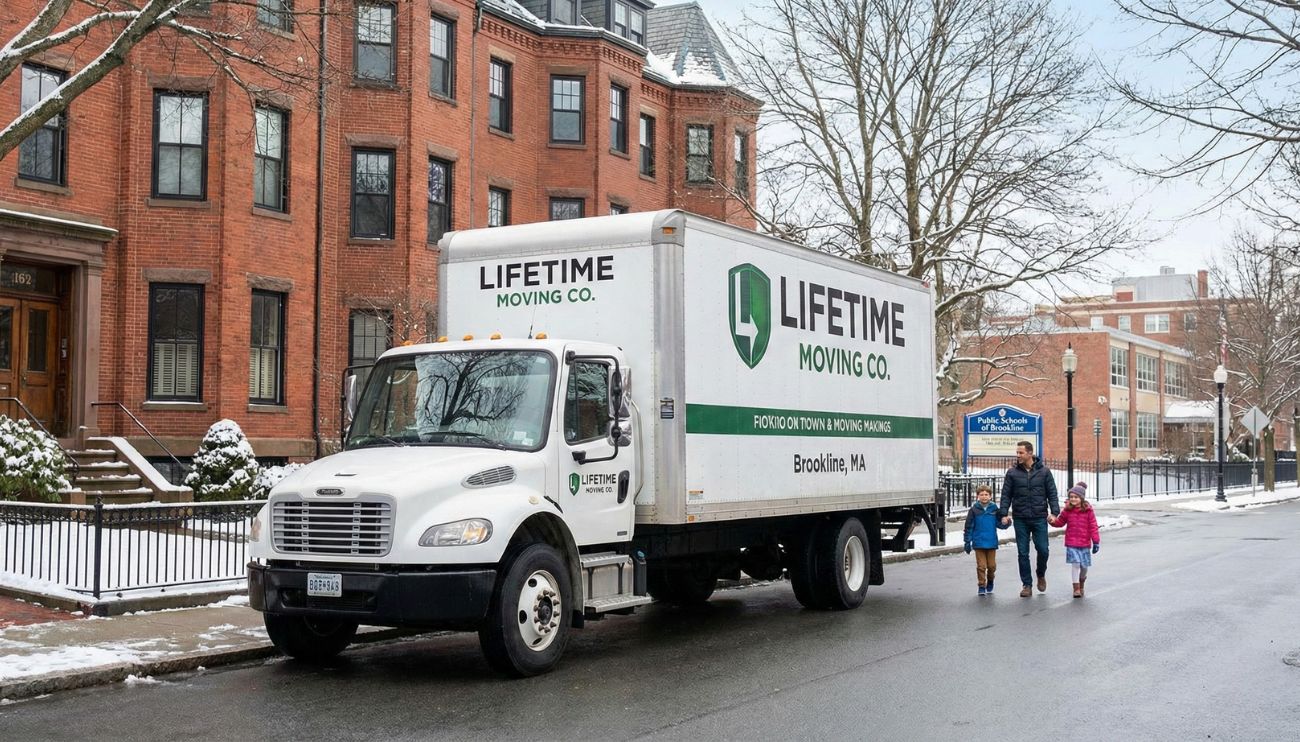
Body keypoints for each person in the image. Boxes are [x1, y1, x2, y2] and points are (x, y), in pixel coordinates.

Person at [1000, 440, 1060, 597]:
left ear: (1030, 453)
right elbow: (1006, 494)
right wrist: (1004, 513)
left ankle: (1041, 574)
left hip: (1039, 517)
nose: (1018, 455)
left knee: (1043, 550)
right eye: (1017, 452)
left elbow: (1052, 493)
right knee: (1022, 553)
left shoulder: (1044, 472)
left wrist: (1054, 512)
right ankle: (1027, 584)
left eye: (1021, 452)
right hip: (1020, 518)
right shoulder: (1012, 473)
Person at [1050, 482, 1101, 598]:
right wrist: (1052, 521)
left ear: (1081, 498)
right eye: (1071, 497)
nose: (1073, 499)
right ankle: (1076, 589)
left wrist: (1096, 541)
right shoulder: (1067, 510)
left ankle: (1082, 582)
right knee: (1076, 564)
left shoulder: (1088, 510)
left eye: (1076, 497)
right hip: (1072, 543)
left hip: (1084, 543)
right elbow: (1060, 522)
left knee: (1084, 567)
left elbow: (1093, 526)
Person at [963, 483, 1009, 596]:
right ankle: (981, 585)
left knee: (992, 566)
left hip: (991, 542)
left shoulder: (994, 509)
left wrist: (1007, 522)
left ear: (990, 496)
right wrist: (967, 541)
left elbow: (1000, 524)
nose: (984, 497)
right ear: (977, 496)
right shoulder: (974, 510)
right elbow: (968, 527)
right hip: (978, 542)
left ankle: (991, 580)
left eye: (986, 494)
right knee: (981, 566)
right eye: (981, 494)